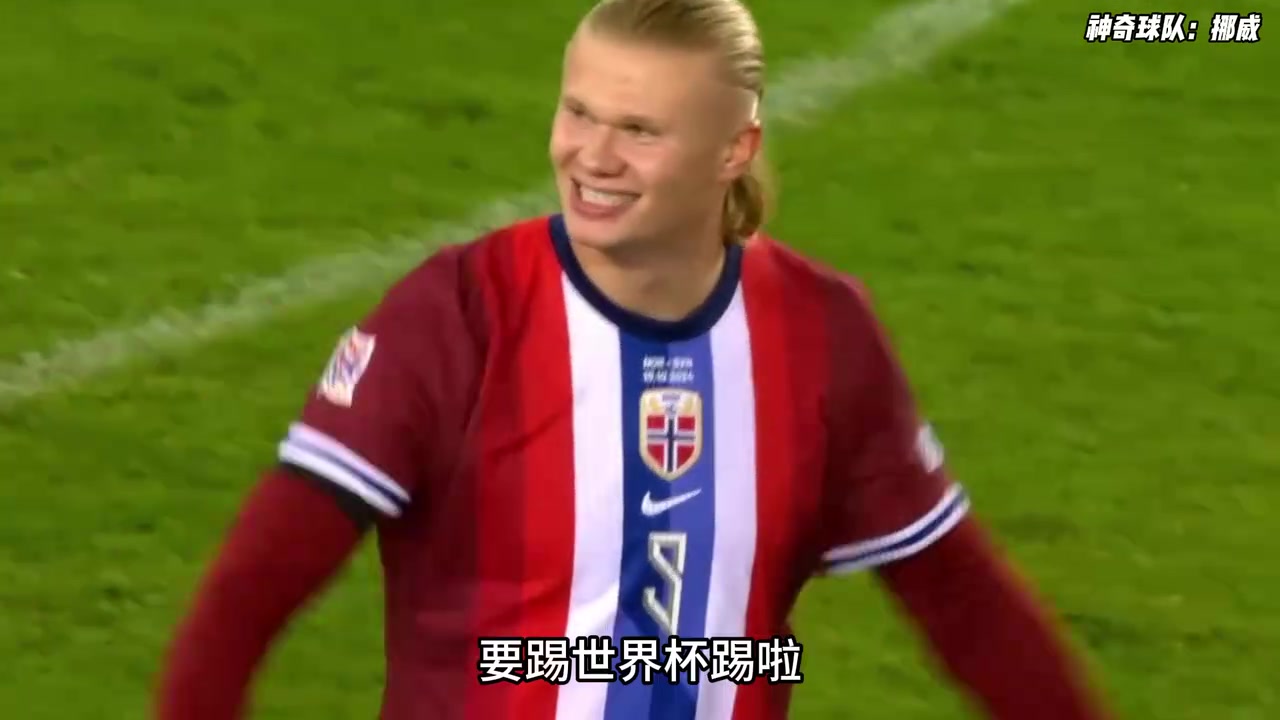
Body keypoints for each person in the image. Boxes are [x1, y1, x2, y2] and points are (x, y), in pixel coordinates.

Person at [154, 0, 1112, 718]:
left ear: (734, 150)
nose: (592, 156)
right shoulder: (460, 316)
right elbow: (253, 588)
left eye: (640, 130)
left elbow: (961, 600)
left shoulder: (820, 333)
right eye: (579, 113)